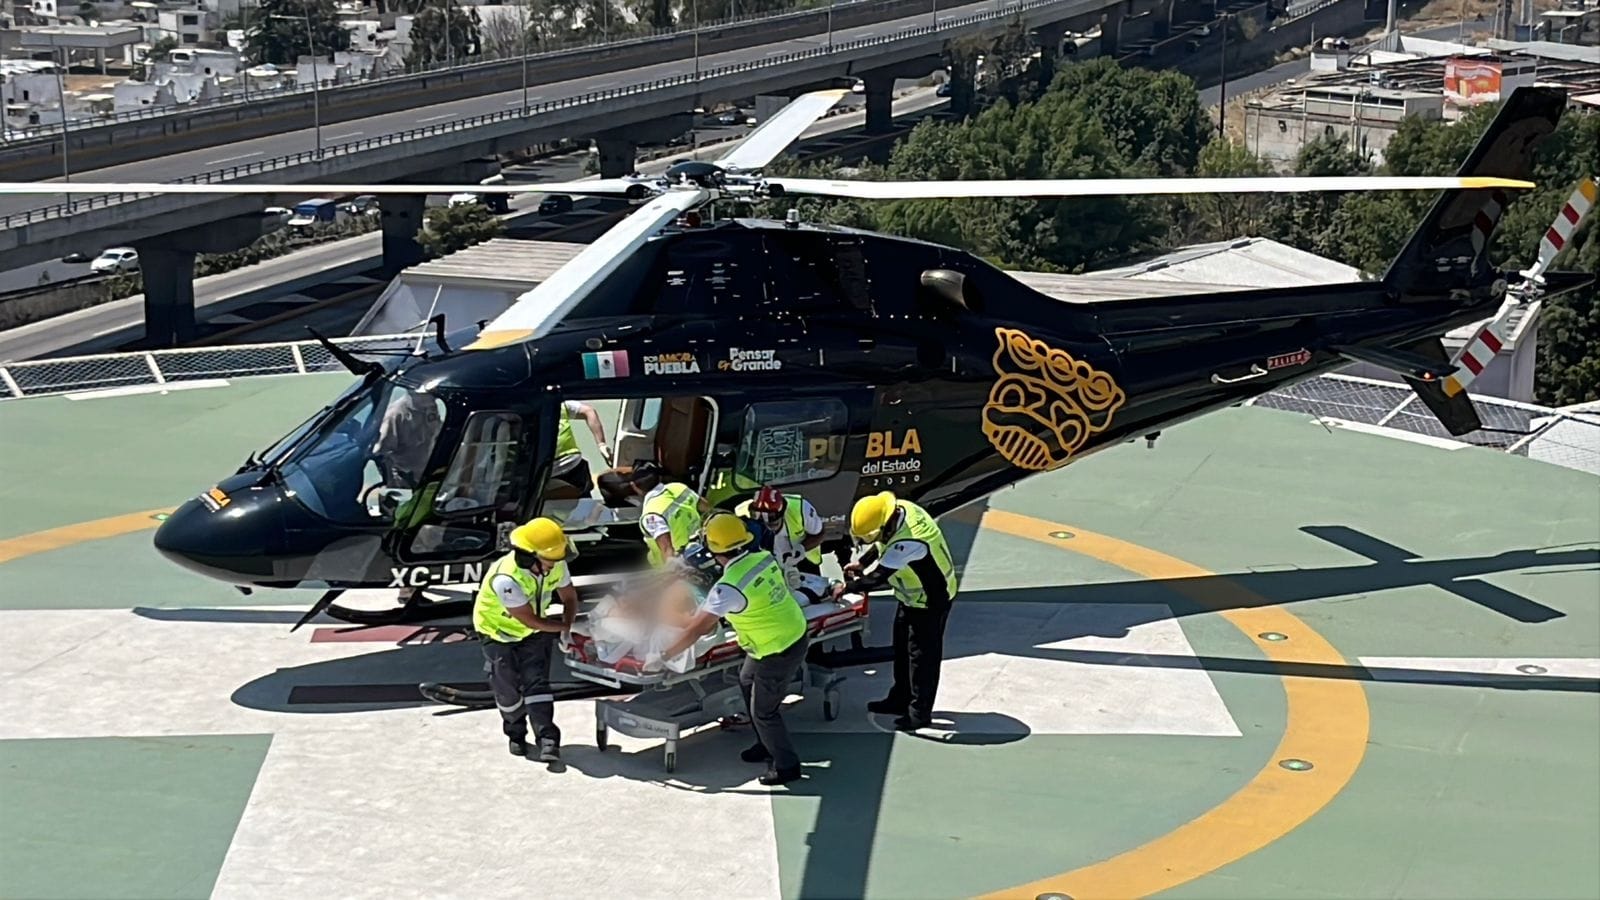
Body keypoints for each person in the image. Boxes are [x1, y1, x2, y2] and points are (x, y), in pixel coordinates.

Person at [649, 514, 809, 786]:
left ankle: (787, 766)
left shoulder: (728, 588)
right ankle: (765, 744)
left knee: (764, 711)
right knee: (746, 682)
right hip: (781, 637)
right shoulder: (763, 557)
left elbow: (696, 630)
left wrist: (664, 655)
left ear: (715, 551)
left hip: (779, 648)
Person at [835, 491, 959, 732]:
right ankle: (899, 698)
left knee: (922, 660)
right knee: (902, 649)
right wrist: (862, 562)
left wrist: (846, 588)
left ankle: (919, 713)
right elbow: (883, 543)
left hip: (930, 602)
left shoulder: (910, 541)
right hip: (910, 598)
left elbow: (876, 578)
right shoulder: (899, 509)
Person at [473, 517, 578, 765]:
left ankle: (548, 740)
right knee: (507, 690)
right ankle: (516, 734)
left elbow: (570, 597)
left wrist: (568, 627)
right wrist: (562, 627)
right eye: (549, 563)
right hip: (498, 634)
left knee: (538, 683)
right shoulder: (506, 579)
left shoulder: (556, 563)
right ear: (528, 558)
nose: (554, 568)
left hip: (535, 632)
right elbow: (529, 620)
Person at [737, 486, 826, 575]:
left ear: (782, 512)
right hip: (772, 564)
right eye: (762, 518)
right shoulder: (745, 515)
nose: (769, 525)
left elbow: (820, 534)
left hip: (804, 561)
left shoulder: (802, 509)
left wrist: (801, 548)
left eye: (772, 518)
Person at [635, 471, 705, 568]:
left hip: (682, 563)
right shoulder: (678, 487)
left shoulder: (651, 514)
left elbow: (667, 550)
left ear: (635, 487)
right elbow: (706, 507)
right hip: (701, 548)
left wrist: (673, 575)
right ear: (659, 478)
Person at [550, 400, 613, 496]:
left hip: (573, 465)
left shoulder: (559, 404)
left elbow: (589, 411)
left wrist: (601, 444)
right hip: (546, 472)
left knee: (584, 504)